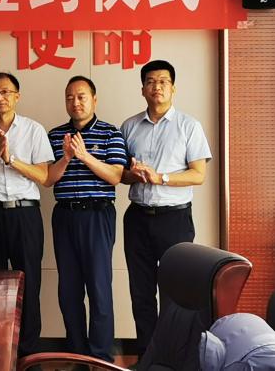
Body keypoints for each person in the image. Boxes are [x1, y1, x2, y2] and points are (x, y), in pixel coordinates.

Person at [120, 60, 212, 357]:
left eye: (162, 81)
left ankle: (175, 358)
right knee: (141, 291)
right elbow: (121, 175)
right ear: (142, 89)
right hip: (137, 217)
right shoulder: (129, 126)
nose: (156, 86)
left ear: (173, 88)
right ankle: (147, 357)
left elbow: (198, 174)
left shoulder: (189, 126)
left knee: (175, 292)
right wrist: (134, 174)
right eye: (150, 81)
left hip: (174, 218)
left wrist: (161, 177)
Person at [0, 72, 53, 356]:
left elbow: (44, 176)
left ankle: (29, 355)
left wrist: (10, 159)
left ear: (17, 96)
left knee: (29, 284)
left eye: (5, 92)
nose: (0, 97)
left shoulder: (33, 130)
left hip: (24, 215)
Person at [44, 75, 128, 361]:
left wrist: (84, 156)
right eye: (70, 97)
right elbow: (48, 179)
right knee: (68, 290)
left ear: (94, 99)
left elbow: (115, 176)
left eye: (81, 96)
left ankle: (101, 358)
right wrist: (67, 157)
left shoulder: (110, 133)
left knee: (99, 288)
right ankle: (77, 355)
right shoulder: (55, 135)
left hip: (97, 215)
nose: (75, 102)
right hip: (65, 215)